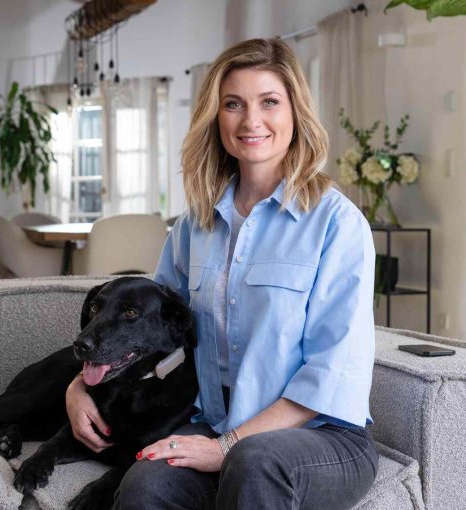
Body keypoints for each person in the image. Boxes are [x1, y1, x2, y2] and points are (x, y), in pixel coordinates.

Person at [65, 38, 378, 510]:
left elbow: (331, 374)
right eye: (233, 104)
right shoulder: (195, 225)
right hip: (214, 419)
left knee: (255, 461)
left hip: (321, 434)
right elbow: (150, 332)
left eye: (269, 102)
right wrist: (77, 385)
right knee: (143, 485)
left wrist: (227, 447)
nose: (251, 121)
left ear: (296, 112)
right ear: (216, 117)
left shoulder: (337, 224)